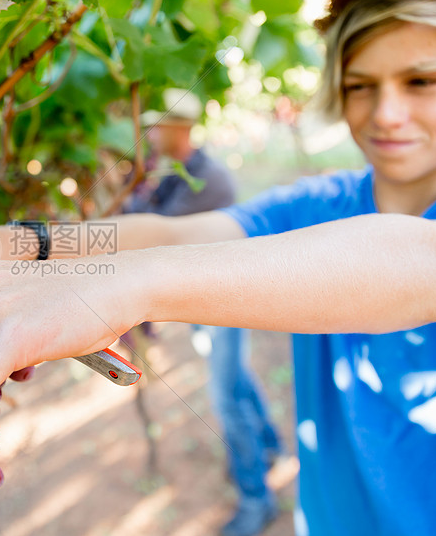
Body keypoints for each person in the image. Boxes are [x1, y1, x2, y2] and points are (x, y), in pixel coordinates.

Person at [0, 0, 436, 535]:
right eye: (360, 87)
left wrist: (126, 286)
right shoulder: (324, 201)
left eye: (422, 82)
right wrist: (20, 244)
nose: (386, 113)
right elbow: (176, 236)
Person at [124, 89, 281, 536]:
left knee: (225, 397)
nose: (151, 134)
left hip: (228, 303)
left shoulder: (208, 179)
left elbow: (156, 234)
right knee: (236, 378)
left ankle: (257, 498)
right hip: (202, 300)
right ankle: (270, 442)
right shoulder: (176, 173)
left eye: (159, 126)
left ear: (181, 129)